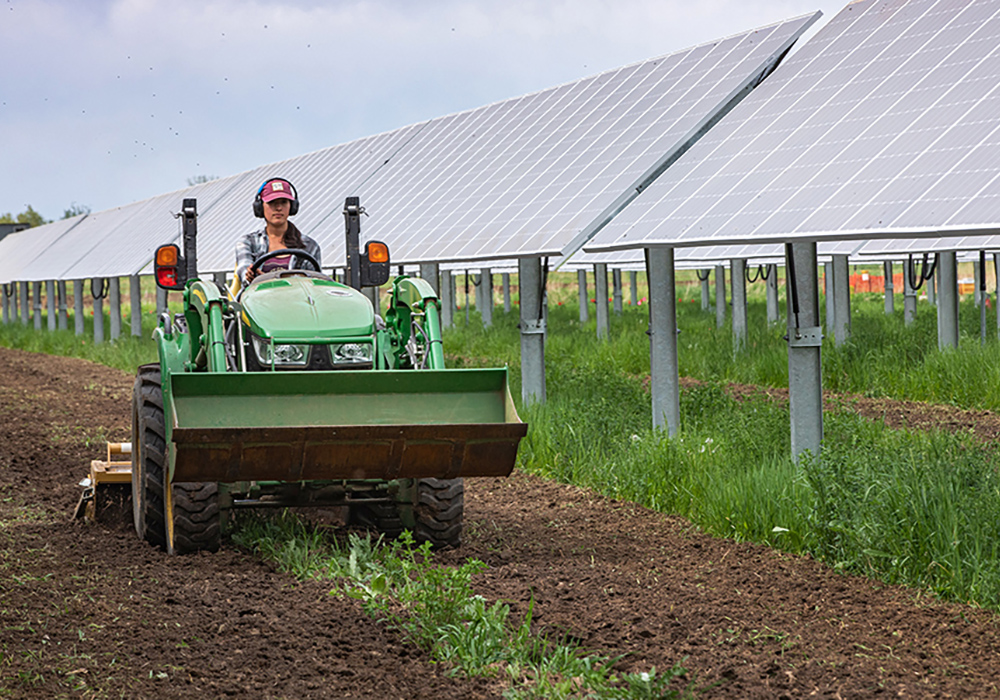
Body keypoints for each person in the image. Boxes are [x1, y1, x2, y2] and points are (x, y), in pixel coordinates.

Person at [235, 178, 322, 285]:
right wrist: (250, 276)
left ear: (292, 206)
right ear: (260, 207)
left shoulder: (310, 246)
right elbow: (244, 269)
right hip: (259, 298)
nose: (278, 208)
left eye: (284, 202)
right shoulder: (248, 242)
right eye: (272, 202)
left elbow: (315, 284)